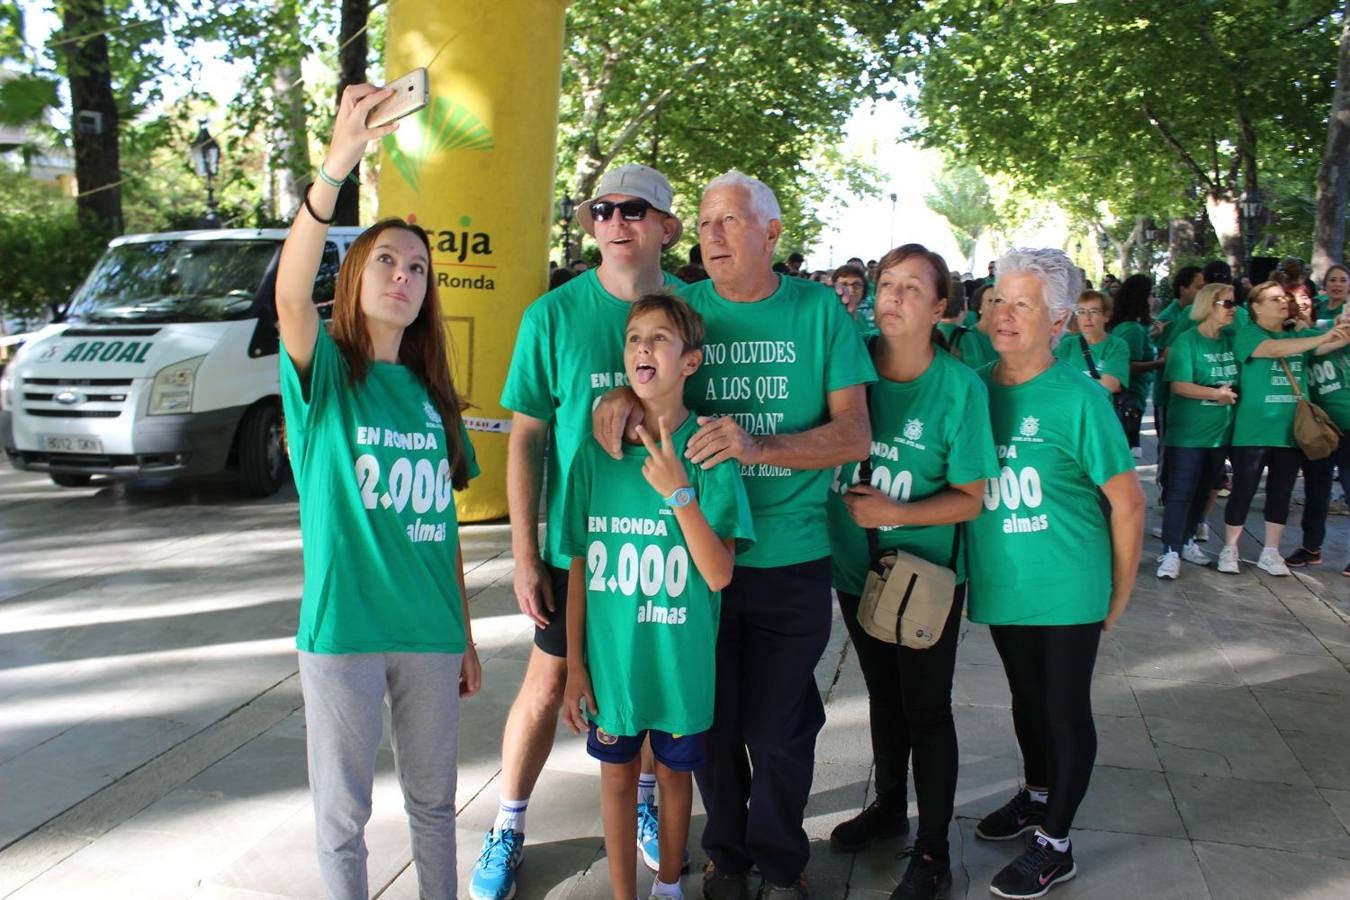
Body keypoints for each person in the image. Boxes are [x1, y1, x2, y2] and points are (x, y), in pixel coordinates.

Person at [595, 170, 875, 900]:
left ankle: (782, 860)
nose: (712, 235)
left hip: (792, 554)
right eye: (706, 222)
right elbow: (643, 360)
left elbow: (855, 435)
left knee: (779, 726)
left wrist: (759, 448)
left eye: (730, 221)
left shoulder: (819, 313)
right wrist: (625, 395)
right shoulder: (683, 308)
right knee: (708, 719)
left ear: (772, 234)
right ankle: (725, 854)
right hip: (692, 556)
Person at [275, 84, 481, 900]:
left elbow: (444, 527)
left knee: (435, 808)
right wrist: (336, 165)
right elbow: (291, 294)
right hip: (345, 631)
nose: (404, 275)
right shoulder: (325, 377)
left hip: (429, 630)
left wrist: (464, 632)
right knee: (343, 819)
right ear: (358, 274)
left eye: (419, 268)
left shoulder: (435, 399)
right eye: (388, 261)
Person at [475, 163, 686, 900]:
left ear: (667, 226)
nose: (616, 223)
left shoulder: (691, 312)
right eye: (603, 211)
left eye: (635, 211)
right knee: (550, 677)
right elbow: (526, 437)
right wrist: (525, 551)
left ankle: (648, 807)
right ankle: (507, 820)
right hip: (578, 546)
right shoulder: (553, 316)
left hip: (665, 544)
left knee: (656, 680)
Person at [562, 294, 754, 900]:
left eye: (660, 338)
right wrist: (573, 665)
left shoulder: (707, 452)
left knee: (675, 776)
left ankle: (668, 884)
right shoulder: (597, 453)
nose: (644, 348)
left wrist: (680, 494)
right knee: (617, 779)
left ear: (691, 361)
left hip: (680, 665)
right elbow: (576, 565)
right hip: (613, 665)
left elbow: (720, 573)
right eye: (634, 338)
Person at [967, 248, 1144, 900]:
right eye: (997, 300)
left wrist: (1120, 590)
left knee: (1064, 708)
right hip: (1003, 581)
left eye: (1022, 304)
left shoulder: (1079, 398)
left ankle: (1056, 843)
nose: (1003, 315)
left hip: (1068, 582)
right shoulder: (973, 385)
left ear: (1060, 319)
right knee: (1025, 696)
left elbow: (1126, 501)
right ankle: (1036, 794)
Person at [825, 244, 997, 900]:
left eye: (910, 289)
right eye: (885, 285)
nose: (892, 298)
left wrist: (895, 508)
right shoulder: (851, 364)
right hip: (853, 568)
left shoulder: (959, 388)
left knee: (926, 706)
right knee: (882, 694)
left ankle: (932, 851)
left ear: (942, 307)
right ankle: (891, 807)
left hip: (924, 580)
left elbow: (971, 497)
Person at [1218, 281, 1350, 576]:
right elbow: (1273, 348)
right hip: (1252, 431)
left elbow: (1333, 342)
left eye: (1283, 298)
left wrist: (1341, 327)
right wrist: (1318, 337)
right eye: (1274, 299)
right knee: (1243, 490)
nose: (1282, 303)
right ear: (1255, 306)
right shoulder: (1249, 334)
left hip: (1291, 432)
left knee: (1281, 493)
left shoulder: (1300, 334)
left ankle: (1271, 552)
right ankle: (1230, 548)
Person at [1154, 284, 1238, 579]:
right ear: (1208, 305)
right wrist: (1216, 394)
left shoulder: (1230, 339)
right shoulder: (1187, 341)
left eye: (1233, 303)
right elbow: (1179, 385)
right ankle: (1170, 551)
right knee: (1180, 492)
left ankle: (1188, 540)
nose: (1232, 309)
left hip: (1219, 434)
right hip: (1188, 434)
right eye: (1226, 303)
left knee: (1204, 491)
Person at [1292, 306, 1350, 572]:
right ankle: (1311, 548)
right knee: (1317, 490)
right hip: (1321, 428)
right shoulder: (1317, 336)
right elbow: (1312, 349)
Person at [1107, 274, 1163, 456]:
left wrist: (1153, 335)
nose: (1153, 299)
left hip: (1129, 397)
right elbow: (1127, 365)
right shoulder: (1132, 328)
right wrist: (1160, 363)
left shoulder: (1130, 327)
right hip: (1128, 399)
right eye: (1150, 294)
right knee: (1124, 453)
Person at [1053, 290, 1129, 394]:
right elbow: (1052, 381)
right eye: (1081, 312)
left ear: (1106, 316)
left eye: (1093, 311)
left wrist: (1068, 384)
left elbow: (1110, 386)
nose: (1087, 318)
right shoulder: (1067, 343)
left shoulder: (1116, 345)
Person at [833, 263, 875, 338]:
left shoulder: (861, 317)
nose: (851, 290)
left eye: (857, 285)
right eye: (844, 285)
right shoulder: (828, 318)